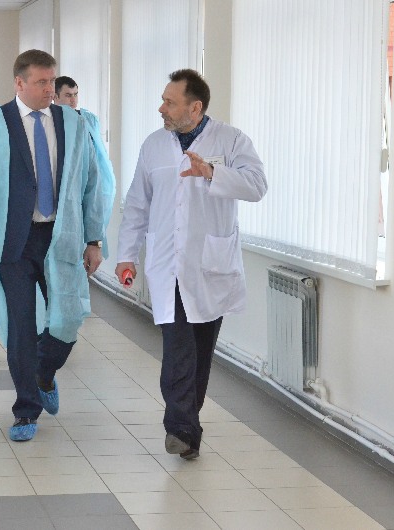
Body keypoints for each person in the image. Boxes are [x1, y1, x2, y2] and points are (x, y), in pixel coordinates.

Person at [115, 69, 267, 460]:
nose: (161, 108)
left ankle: (188, 428)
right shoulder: (153, 145)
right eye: (163, 100)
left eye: (170, 102)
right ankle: (179, 427)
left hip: (210, 264)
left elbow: (257, 186)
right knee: (178, 348)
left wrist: (212, 172)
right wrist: (126, 255)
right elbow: (138, 203)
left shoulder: (231, 140)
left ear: (194, 107)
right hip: (167, 263)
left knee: (199, 351)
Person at [0, 49, 114, 442]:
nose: (50, 89)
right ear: (19, 83)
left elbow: (91, 181)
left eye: (52, 81)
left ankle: (44, 372)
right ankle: (25, 410)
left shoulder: (72, 123)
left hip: (61, 236)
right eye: (41, 82)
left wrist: (94, 238)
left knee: (68, 319)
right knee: (21, 327)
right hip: (12, 241)